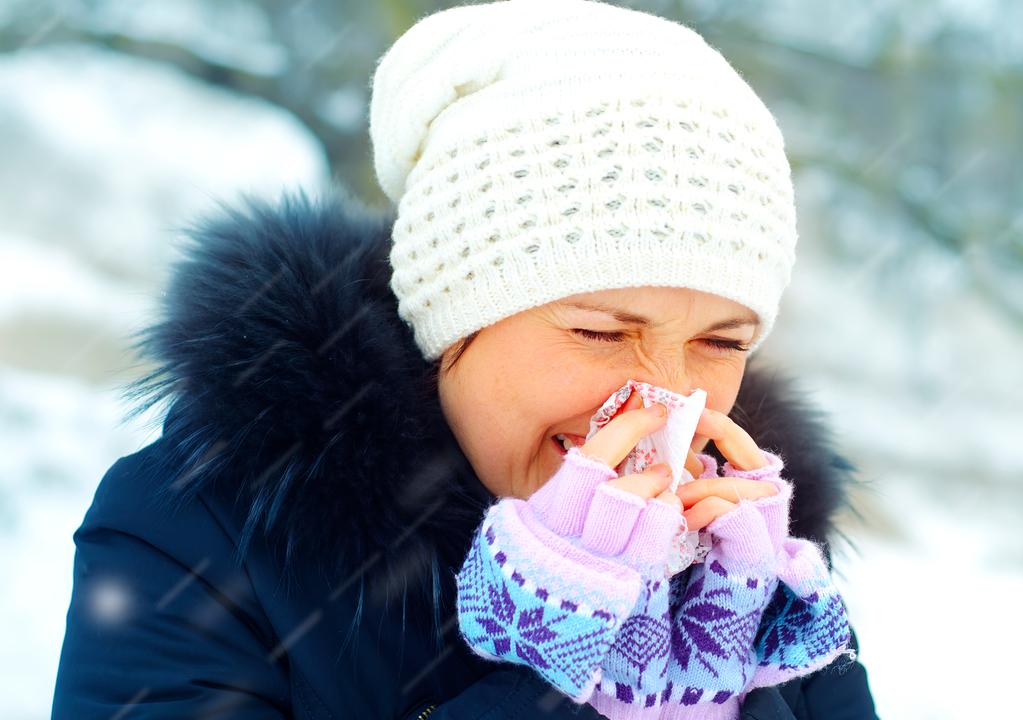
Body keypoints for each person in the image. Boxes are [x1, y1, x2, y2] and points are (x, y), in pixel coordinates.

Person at [50, 0, 879, 717]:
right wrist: (551, 668)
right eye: (599, 331)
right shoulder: (200, 535)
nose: (666, 398)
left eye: (721, 342)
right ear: (453, 320)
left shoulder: (755, 568)